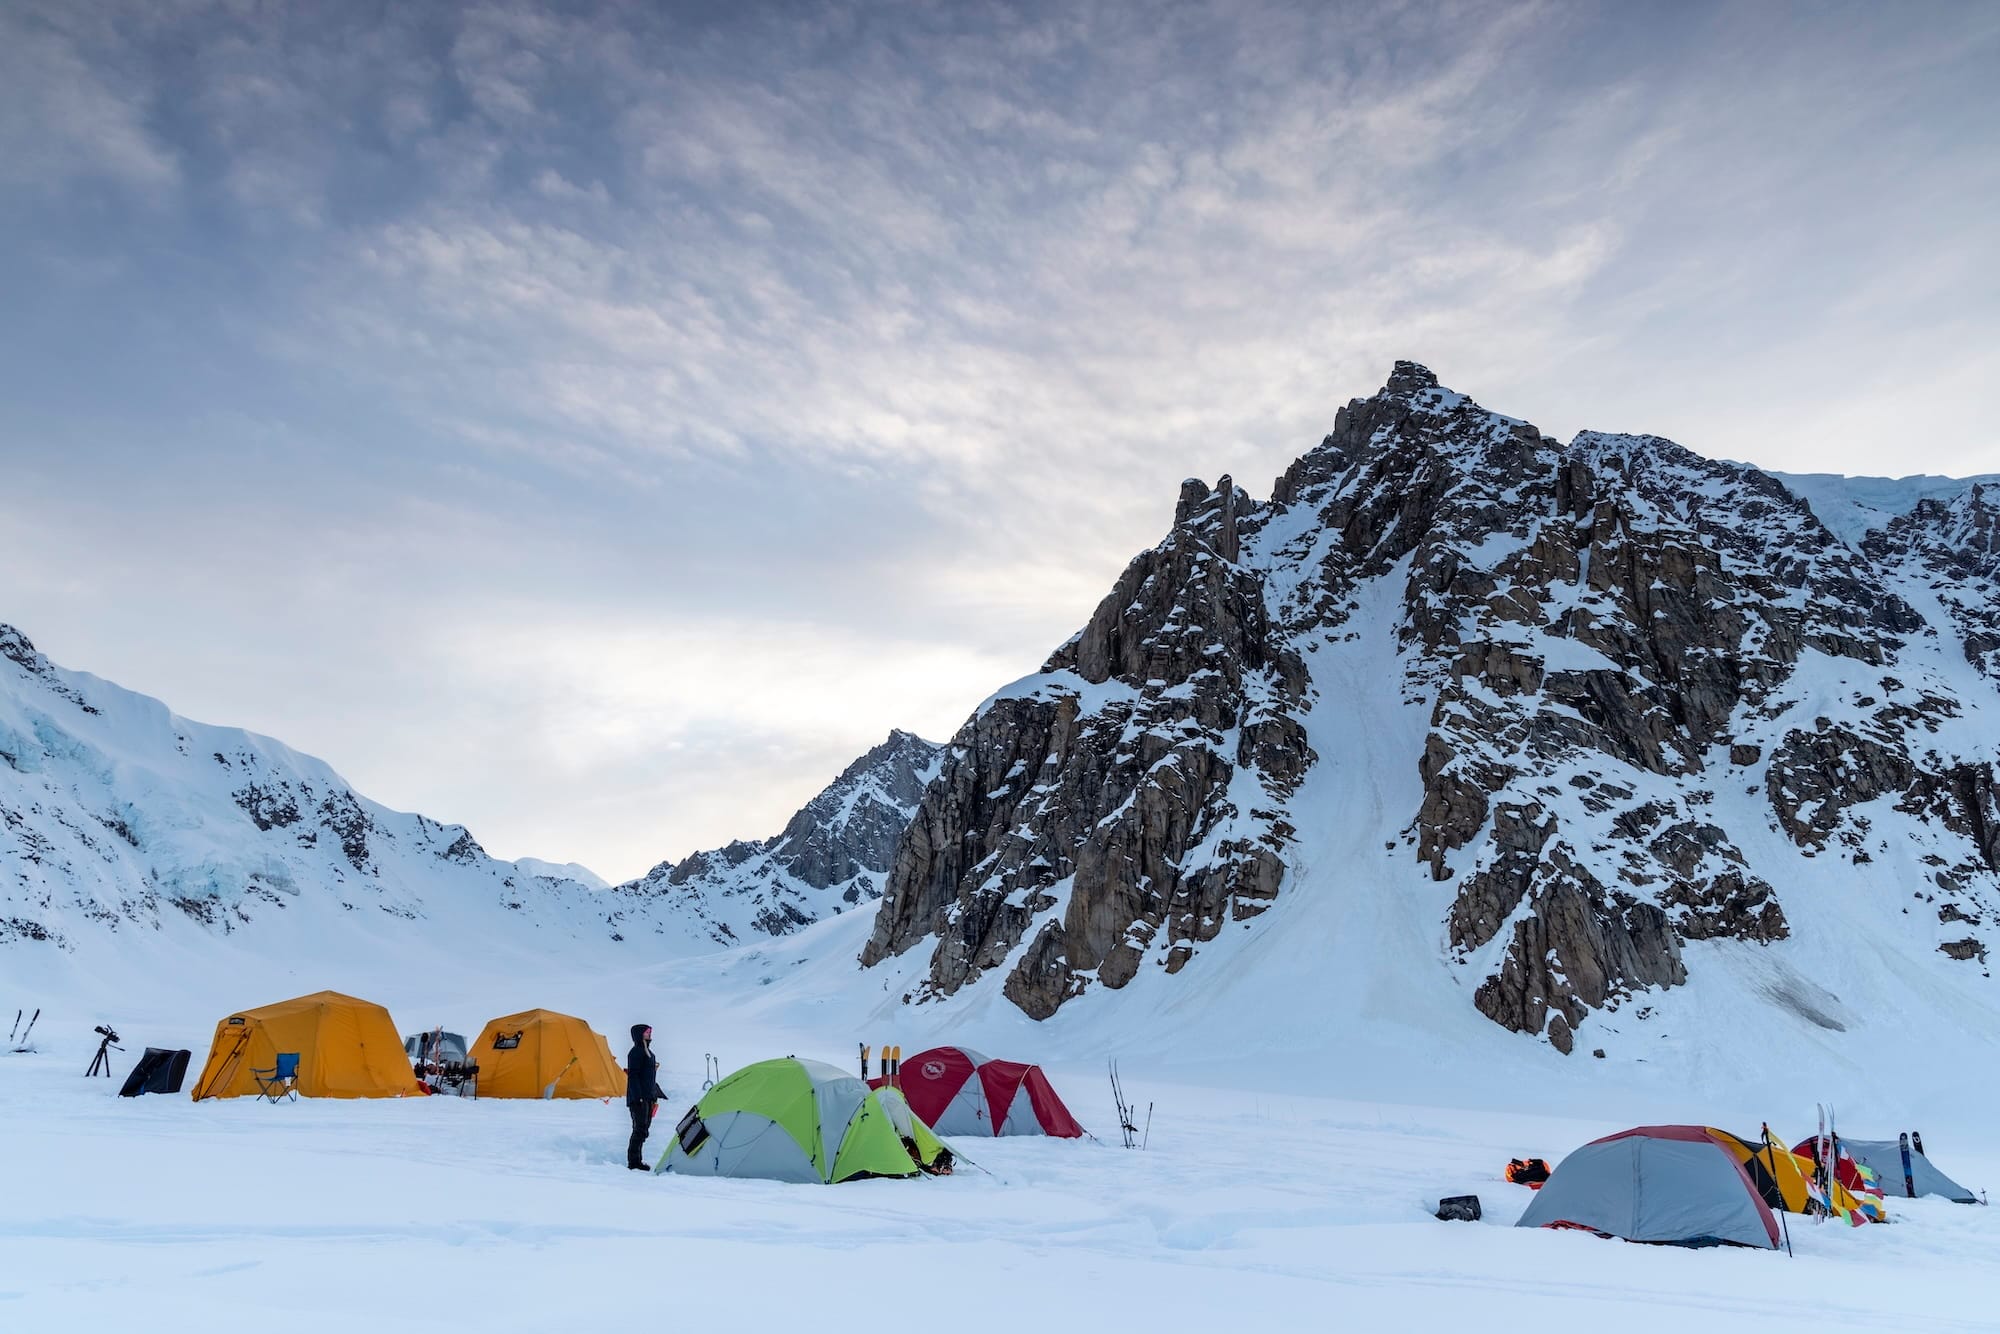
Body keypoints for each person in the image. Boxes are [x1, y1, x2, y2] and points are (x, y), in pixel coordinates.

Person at [625, 1022, 665, 1170]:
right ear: (639, 1034)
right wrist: (638, 1097)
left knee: (644, 1129)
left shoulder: (649, 1053)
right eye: (647, 1032)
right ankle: (633, 1162)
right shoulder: (636, 1052)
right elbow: (633, 1076)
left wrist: (654, 1095)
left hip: (648, 1097)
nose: (649, 1034)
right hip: (638, 1099)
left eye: (650, 1032)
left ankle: (638, 1160)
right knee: (639, 1129)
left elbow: (649, 1078)